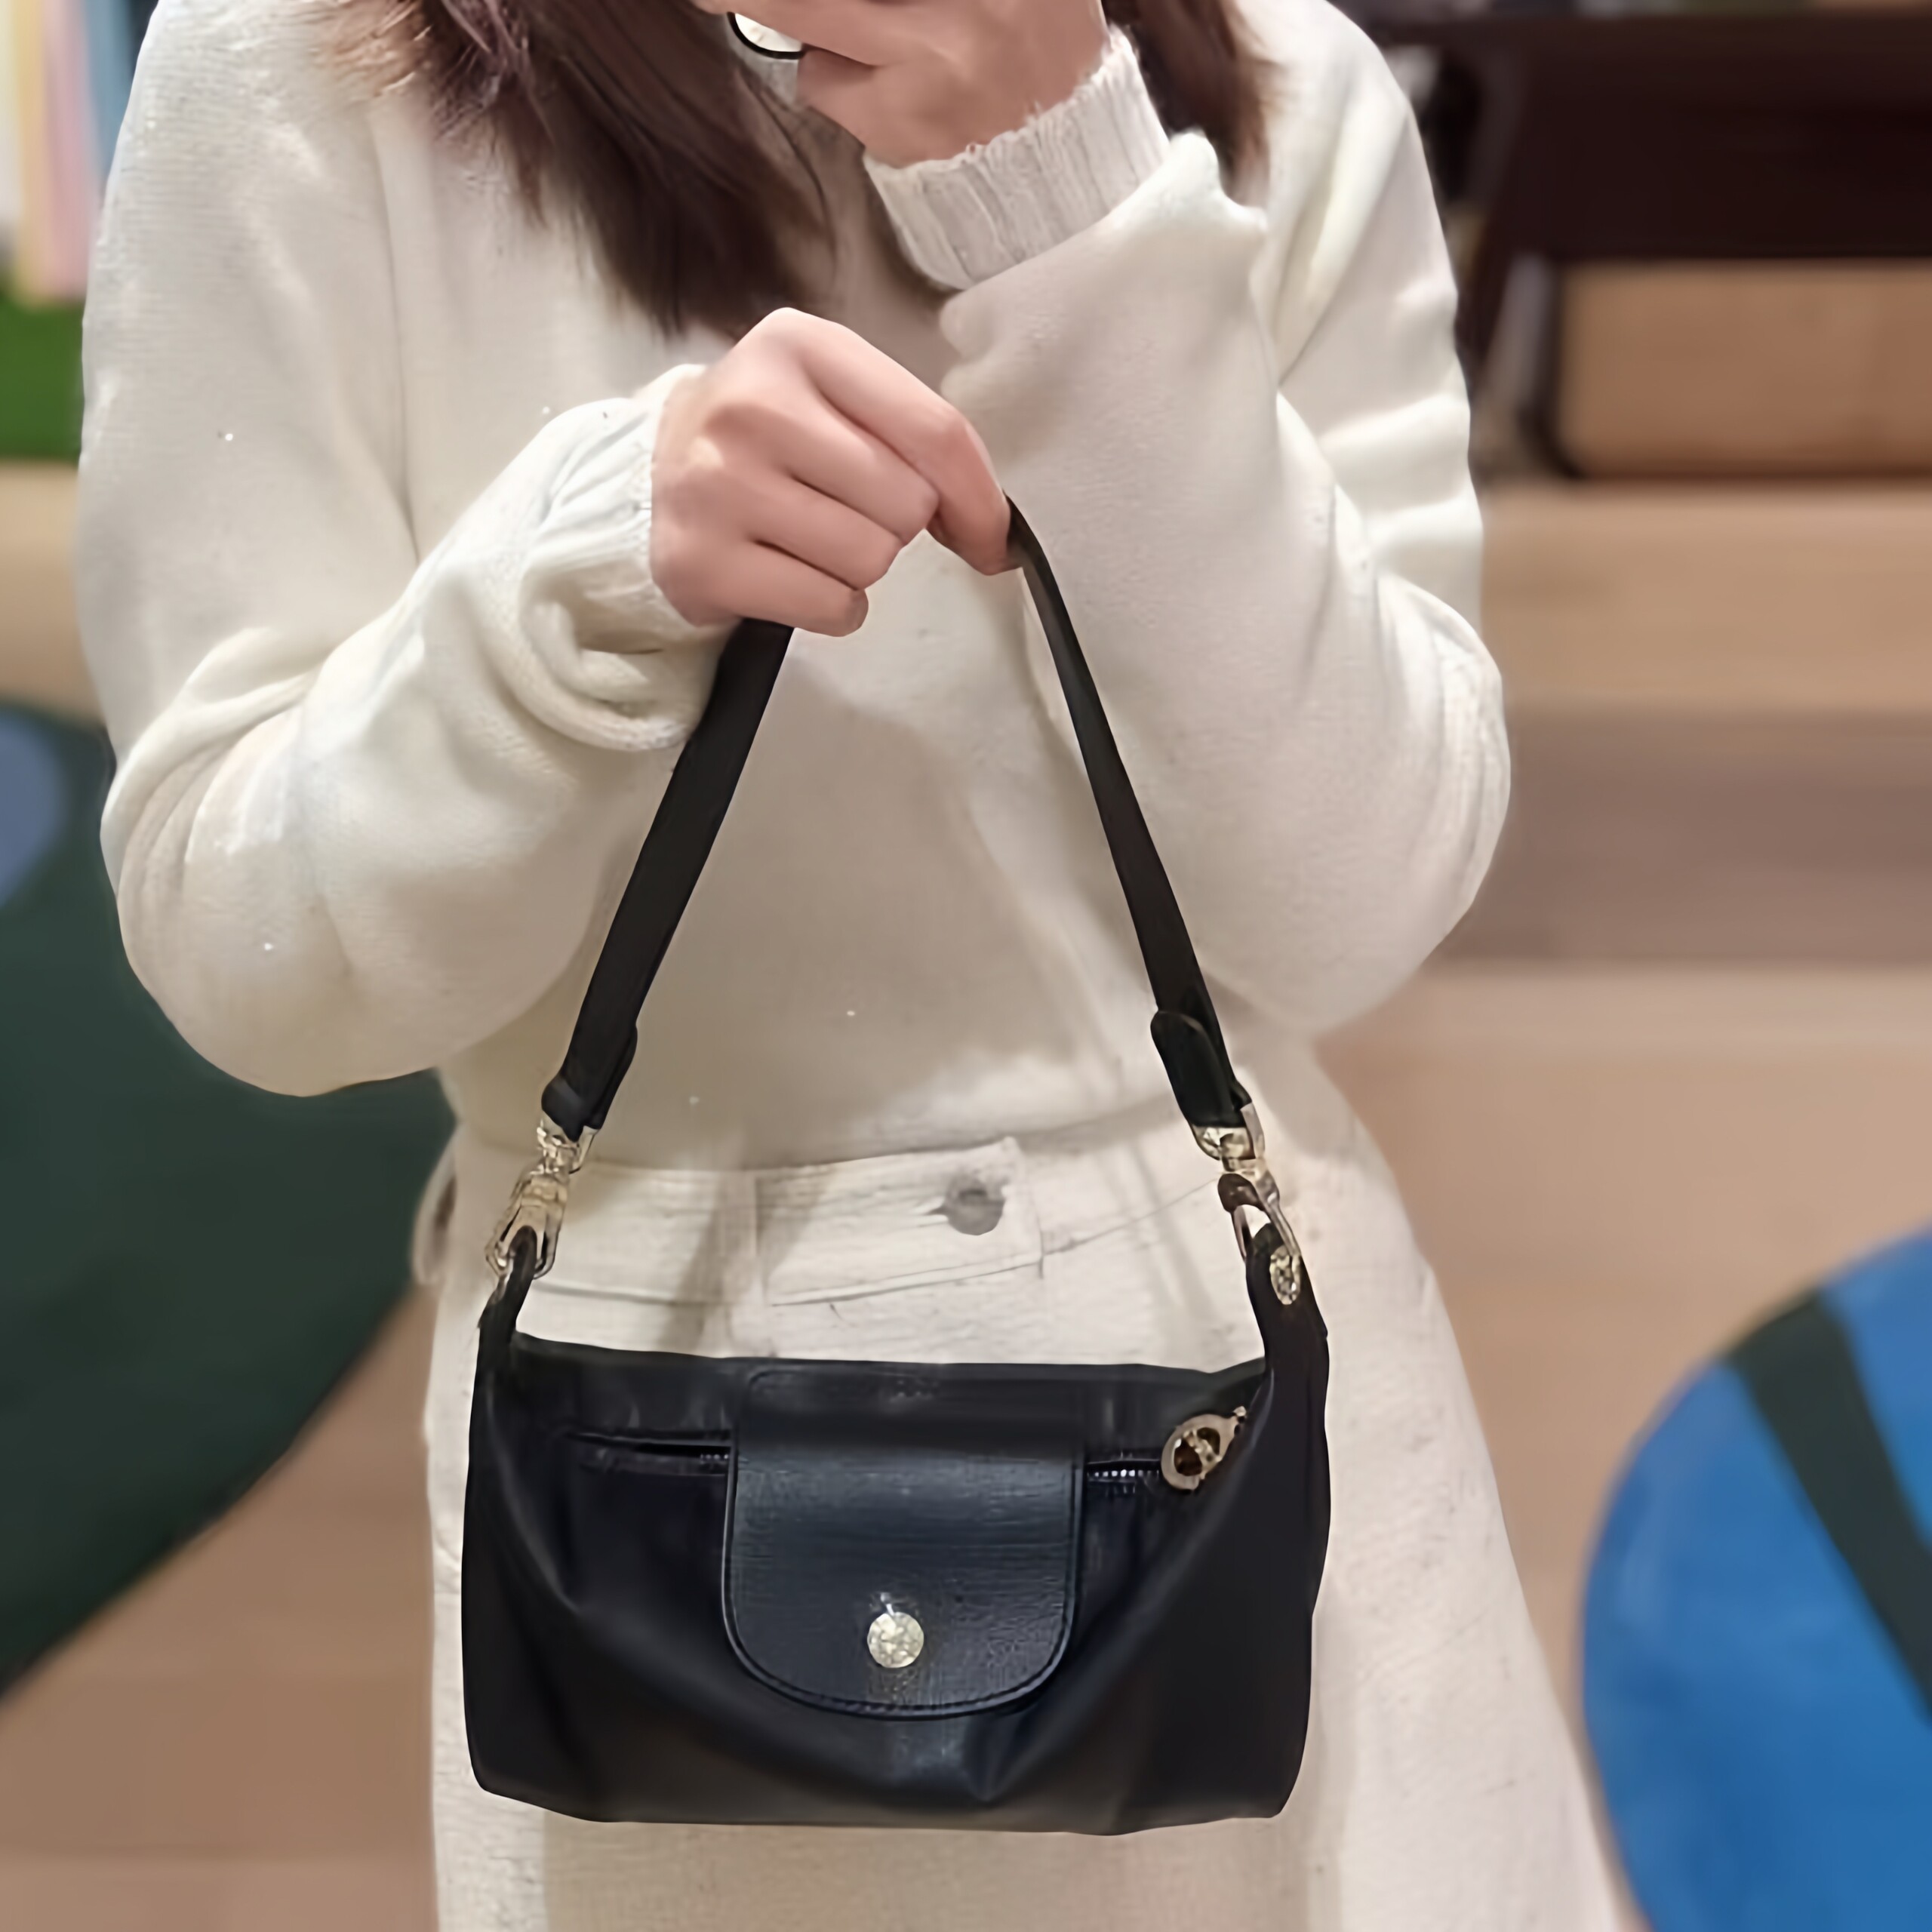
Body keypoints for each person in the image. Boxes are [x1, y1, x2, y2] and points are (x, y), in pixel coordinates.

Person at [77, 0, 1620, 1924]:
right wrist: (567, 587)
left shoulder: (1273, 76)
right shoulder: (314, 69)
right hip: (654, 1497)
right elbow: (245, 949)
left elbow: (1354, 900)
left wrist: (1073, 208)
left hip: (1250, 1455)